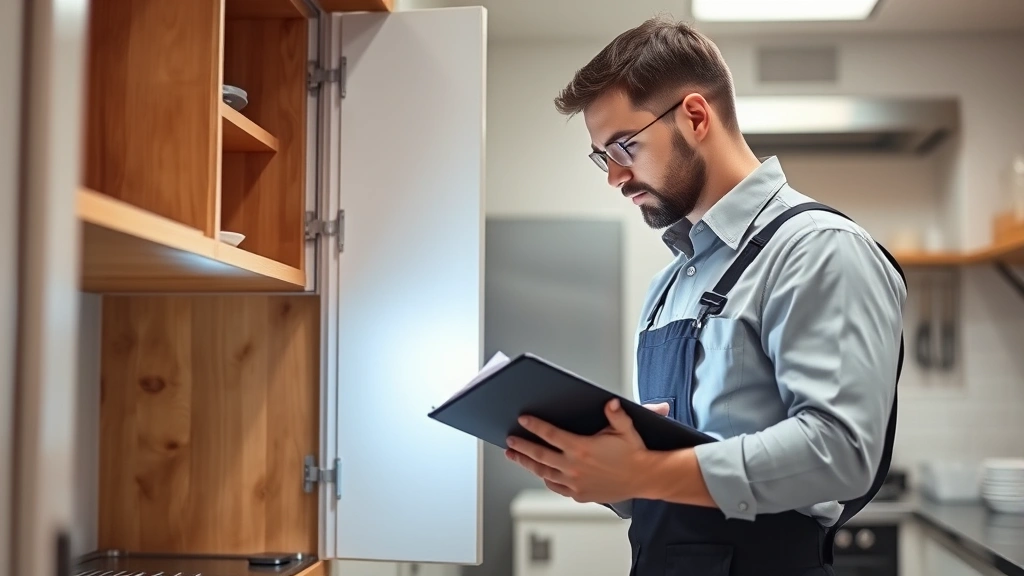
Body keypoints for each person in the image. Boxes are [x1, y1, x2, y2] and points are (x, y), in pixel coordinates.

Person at [502, 15, 907, 576]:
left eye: (625, 147)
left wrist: (644, 472)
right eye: (603, 156)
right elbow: (675, 482)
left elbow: (839, 451)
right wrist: (602, 473)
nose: (615, 178)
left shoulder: (818, 249)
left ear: (694, 116)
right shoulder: (668, 286)